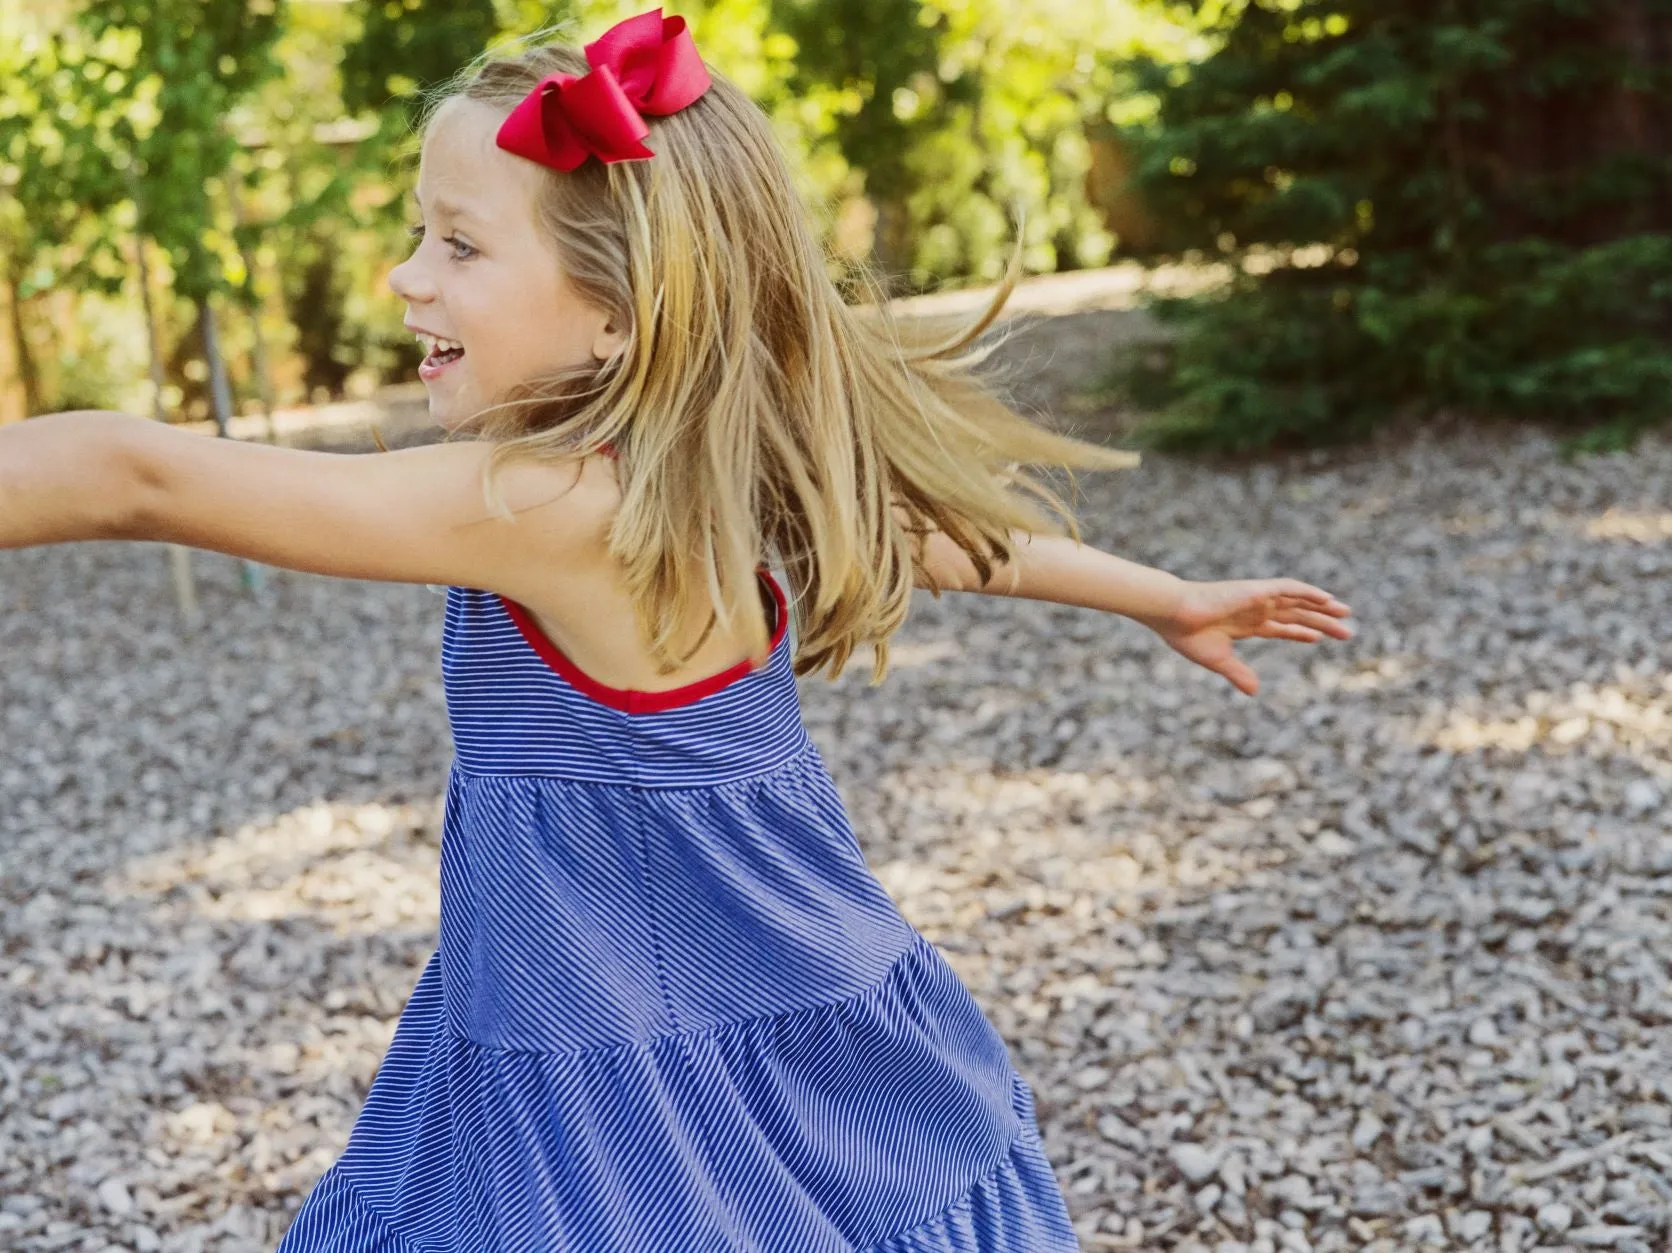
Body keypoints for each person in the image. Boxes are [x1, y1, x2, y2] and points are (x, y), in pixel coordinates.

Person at [0, 9, 1352, 1249]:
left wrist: (1158, 597)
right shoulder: (700, 470)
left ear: (618, 313)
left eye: (460, 245)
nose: (407, 279)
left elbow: (139, 476)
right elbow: (918, 536)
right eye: (421, 232)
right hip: (719, 1016)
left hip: (629, 1068)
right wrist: (1161, 595)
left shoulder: (548, 505)